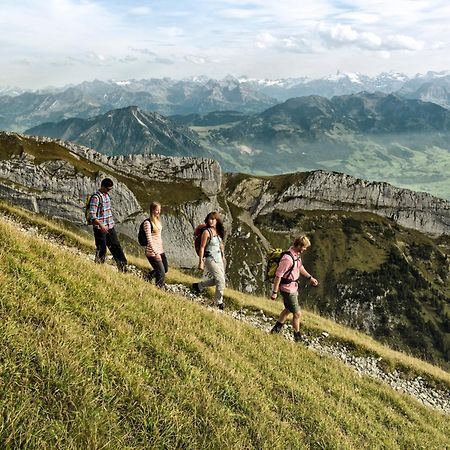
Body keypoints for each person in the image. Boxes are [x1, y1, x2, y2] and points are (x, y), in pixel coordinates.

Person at [270, 236, 318, 342]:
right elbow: (278, 275)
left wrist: (310, 278)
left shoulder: (296, 255)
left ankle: (275, 330)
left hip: (293, 287)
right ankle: (298, 338)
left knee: (288, 309)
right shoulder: (287, 259)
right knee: (297, 314)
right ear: (299, 245)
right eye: (304, 247)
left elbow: (300, 267)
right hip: (288, 290)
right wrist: (274, 292)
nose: (305, 249)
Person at [89, 178, 128, 272]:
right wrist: (101, 225)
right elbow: (92, 214)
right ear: (102, 186)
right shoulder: (96, 197)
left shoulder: (107, 196)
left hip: (110, 226)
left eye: (110, 189)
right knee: (101, 248)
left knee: (116, 246)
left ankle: (122, 267)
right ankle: (99, 268)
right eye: (108, 189)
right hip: (100, 228)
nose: (109, 191)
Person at [192, 211, 226, 310]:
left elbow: (221, 245)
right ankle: (218, 302)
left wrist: (223, 256)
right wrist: (201, 261)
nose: (211, 221)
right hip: (210, 258)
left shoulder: (218, 232)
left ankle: (199, 286)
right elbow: (202, 247)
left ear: (217, 220)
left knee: (218, 280)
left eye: (213, 219)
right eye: (209, 219)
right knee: (221, 280)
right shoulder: (206, 232)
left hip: (219, 259)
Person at [144, 201, 168, 288]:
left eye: (159, 210)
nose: (158, 212)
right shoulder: (147, 223)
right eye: (156, 210)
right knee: (161, 272)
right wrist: (156, 253)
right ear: (152, 210)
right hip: (152, 251)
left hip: (160, 249)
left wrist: (161, 249)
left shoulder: (158, 221)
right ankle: (158, 289)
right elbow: (149, 239)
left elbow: (158, 236)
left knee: (165, 269)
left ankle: (147, 276)